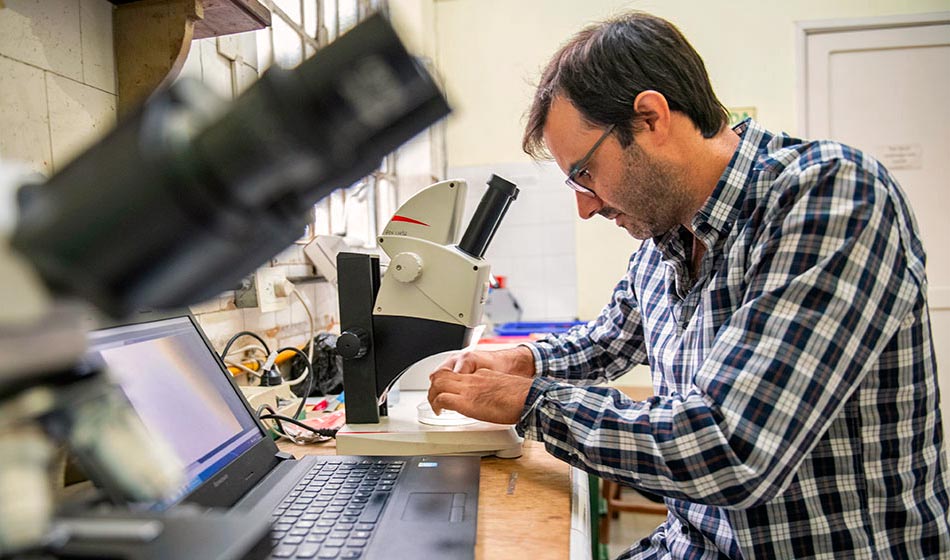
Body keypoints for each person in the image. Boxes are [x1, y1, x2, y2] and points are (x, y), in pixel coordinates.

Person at [427, 11, 950, 559]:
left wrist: (533, 403)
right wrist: (524, 362)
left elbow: (731, 448)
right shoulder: (666, 238)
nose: (584, 207)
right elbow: (606, 340)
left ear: (651, 117)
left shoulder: (830, 196)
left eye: (584, 173)